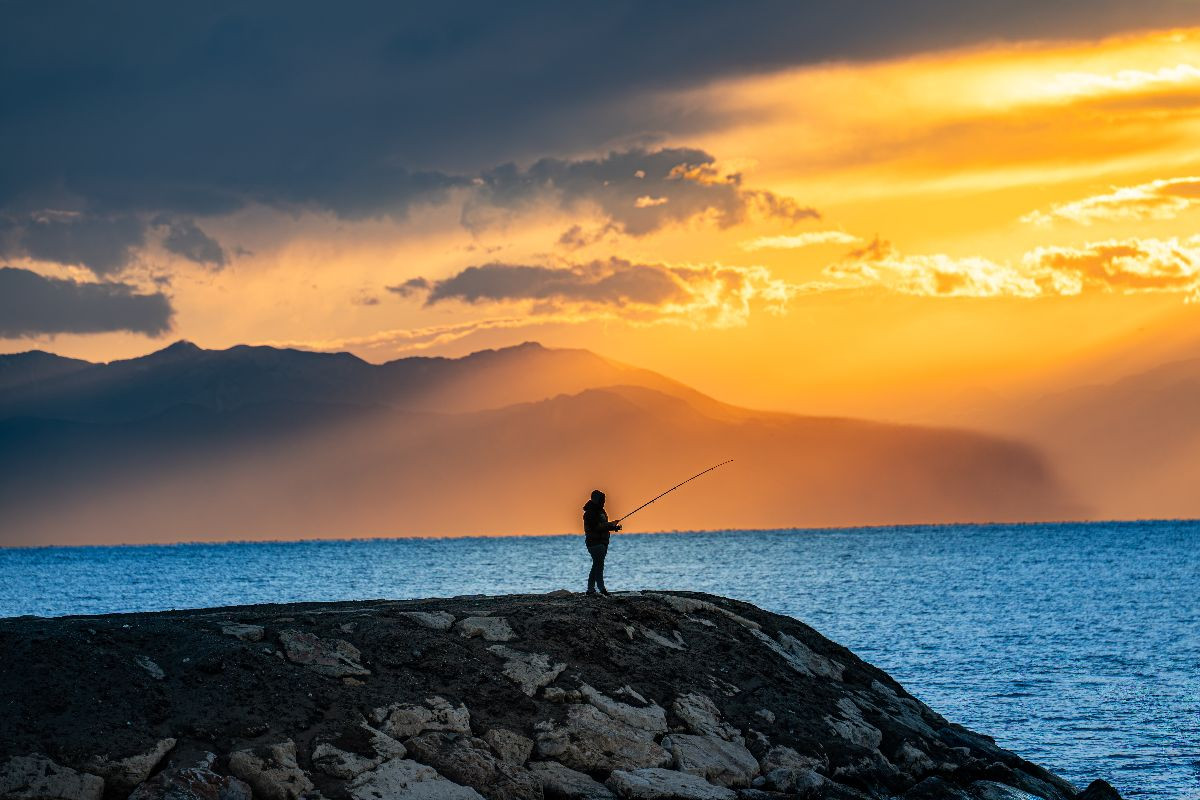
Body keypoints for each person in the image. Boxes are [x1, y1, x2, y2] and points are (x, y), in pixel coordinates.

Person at [582, 489, 621, 595]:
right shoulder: (590, 513)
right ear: (596, 500)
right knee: (599, 566)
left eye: (604, 500)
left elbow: (603, 526)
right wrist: (610, 524)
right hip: (594, 543)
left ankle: (591, 589)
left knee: (597, 565)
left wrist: (614, 527)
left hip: (602, 542)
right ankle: (601, 589)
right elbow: (596, 527)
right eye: (602, 500)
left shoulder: (600, 511)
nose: (604, 502)